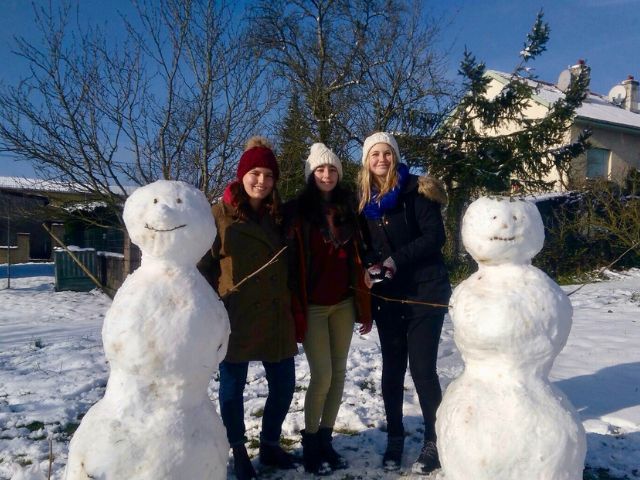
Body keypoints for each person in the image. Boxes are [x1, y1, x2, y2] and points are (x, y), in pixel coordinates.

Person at [198, 136, 299, 480]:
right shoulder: (218, 215)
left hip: (275, 314)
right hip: (236, 314)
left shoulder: (279, 215)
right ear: (242, 175)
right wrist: (211, 305)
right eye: (255, 173)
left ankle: (269, 444)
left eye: (269, 175)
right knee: (232, 389)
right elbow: (203, 268)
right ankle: (238, 449)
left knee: (285, 384)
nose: (262, 181)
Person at [357, 132, 451, 475]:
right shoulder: (364, 201)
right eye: (374, 154)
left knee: (423, 370)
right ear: (367, 161)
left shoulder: (416, 191)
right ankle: (395, 436)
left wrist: (396, 259)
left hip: (426, 291)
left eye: (386, 153)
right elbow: (365, 245)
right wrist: (371, 264)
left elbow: (434, 237)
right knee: (392, 368)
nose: (381, 159)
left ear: (395, 157)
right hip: (388, 295)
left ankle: (434, 440)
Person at [285, 143, 372, 475]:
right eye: (320, 170)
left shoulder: (350, 209)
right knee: (321, 375)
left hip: (344, 304)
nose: (326, 175)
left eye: (332, 169)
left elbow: (360, 255)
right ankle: (309, 441)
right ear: (311, 174)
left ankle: (325, 439)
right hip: (313, 306)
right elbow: (291, 263)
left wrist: (364, 303)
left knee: (338, 374)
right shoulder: (298, 213)